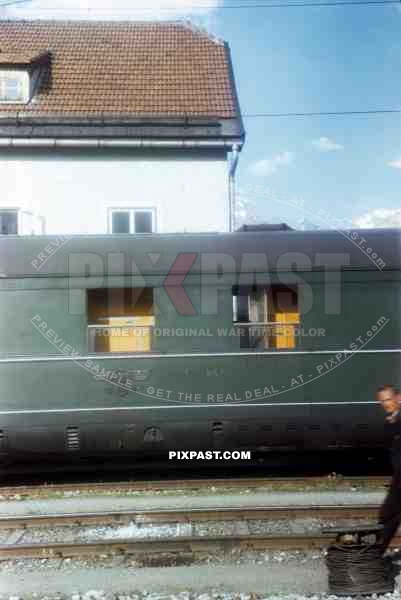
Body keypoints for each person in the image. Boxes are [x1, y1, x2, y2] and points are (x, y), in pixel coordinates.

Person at [377, 384, 401, 555]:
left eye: (388, 399)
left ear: (398, 398)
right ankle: (376, 552)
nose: (385, 404)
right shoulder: (391, 420)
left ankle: (376, 553)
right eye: (382, 401)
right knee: (391, 515)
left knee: (388, 513)